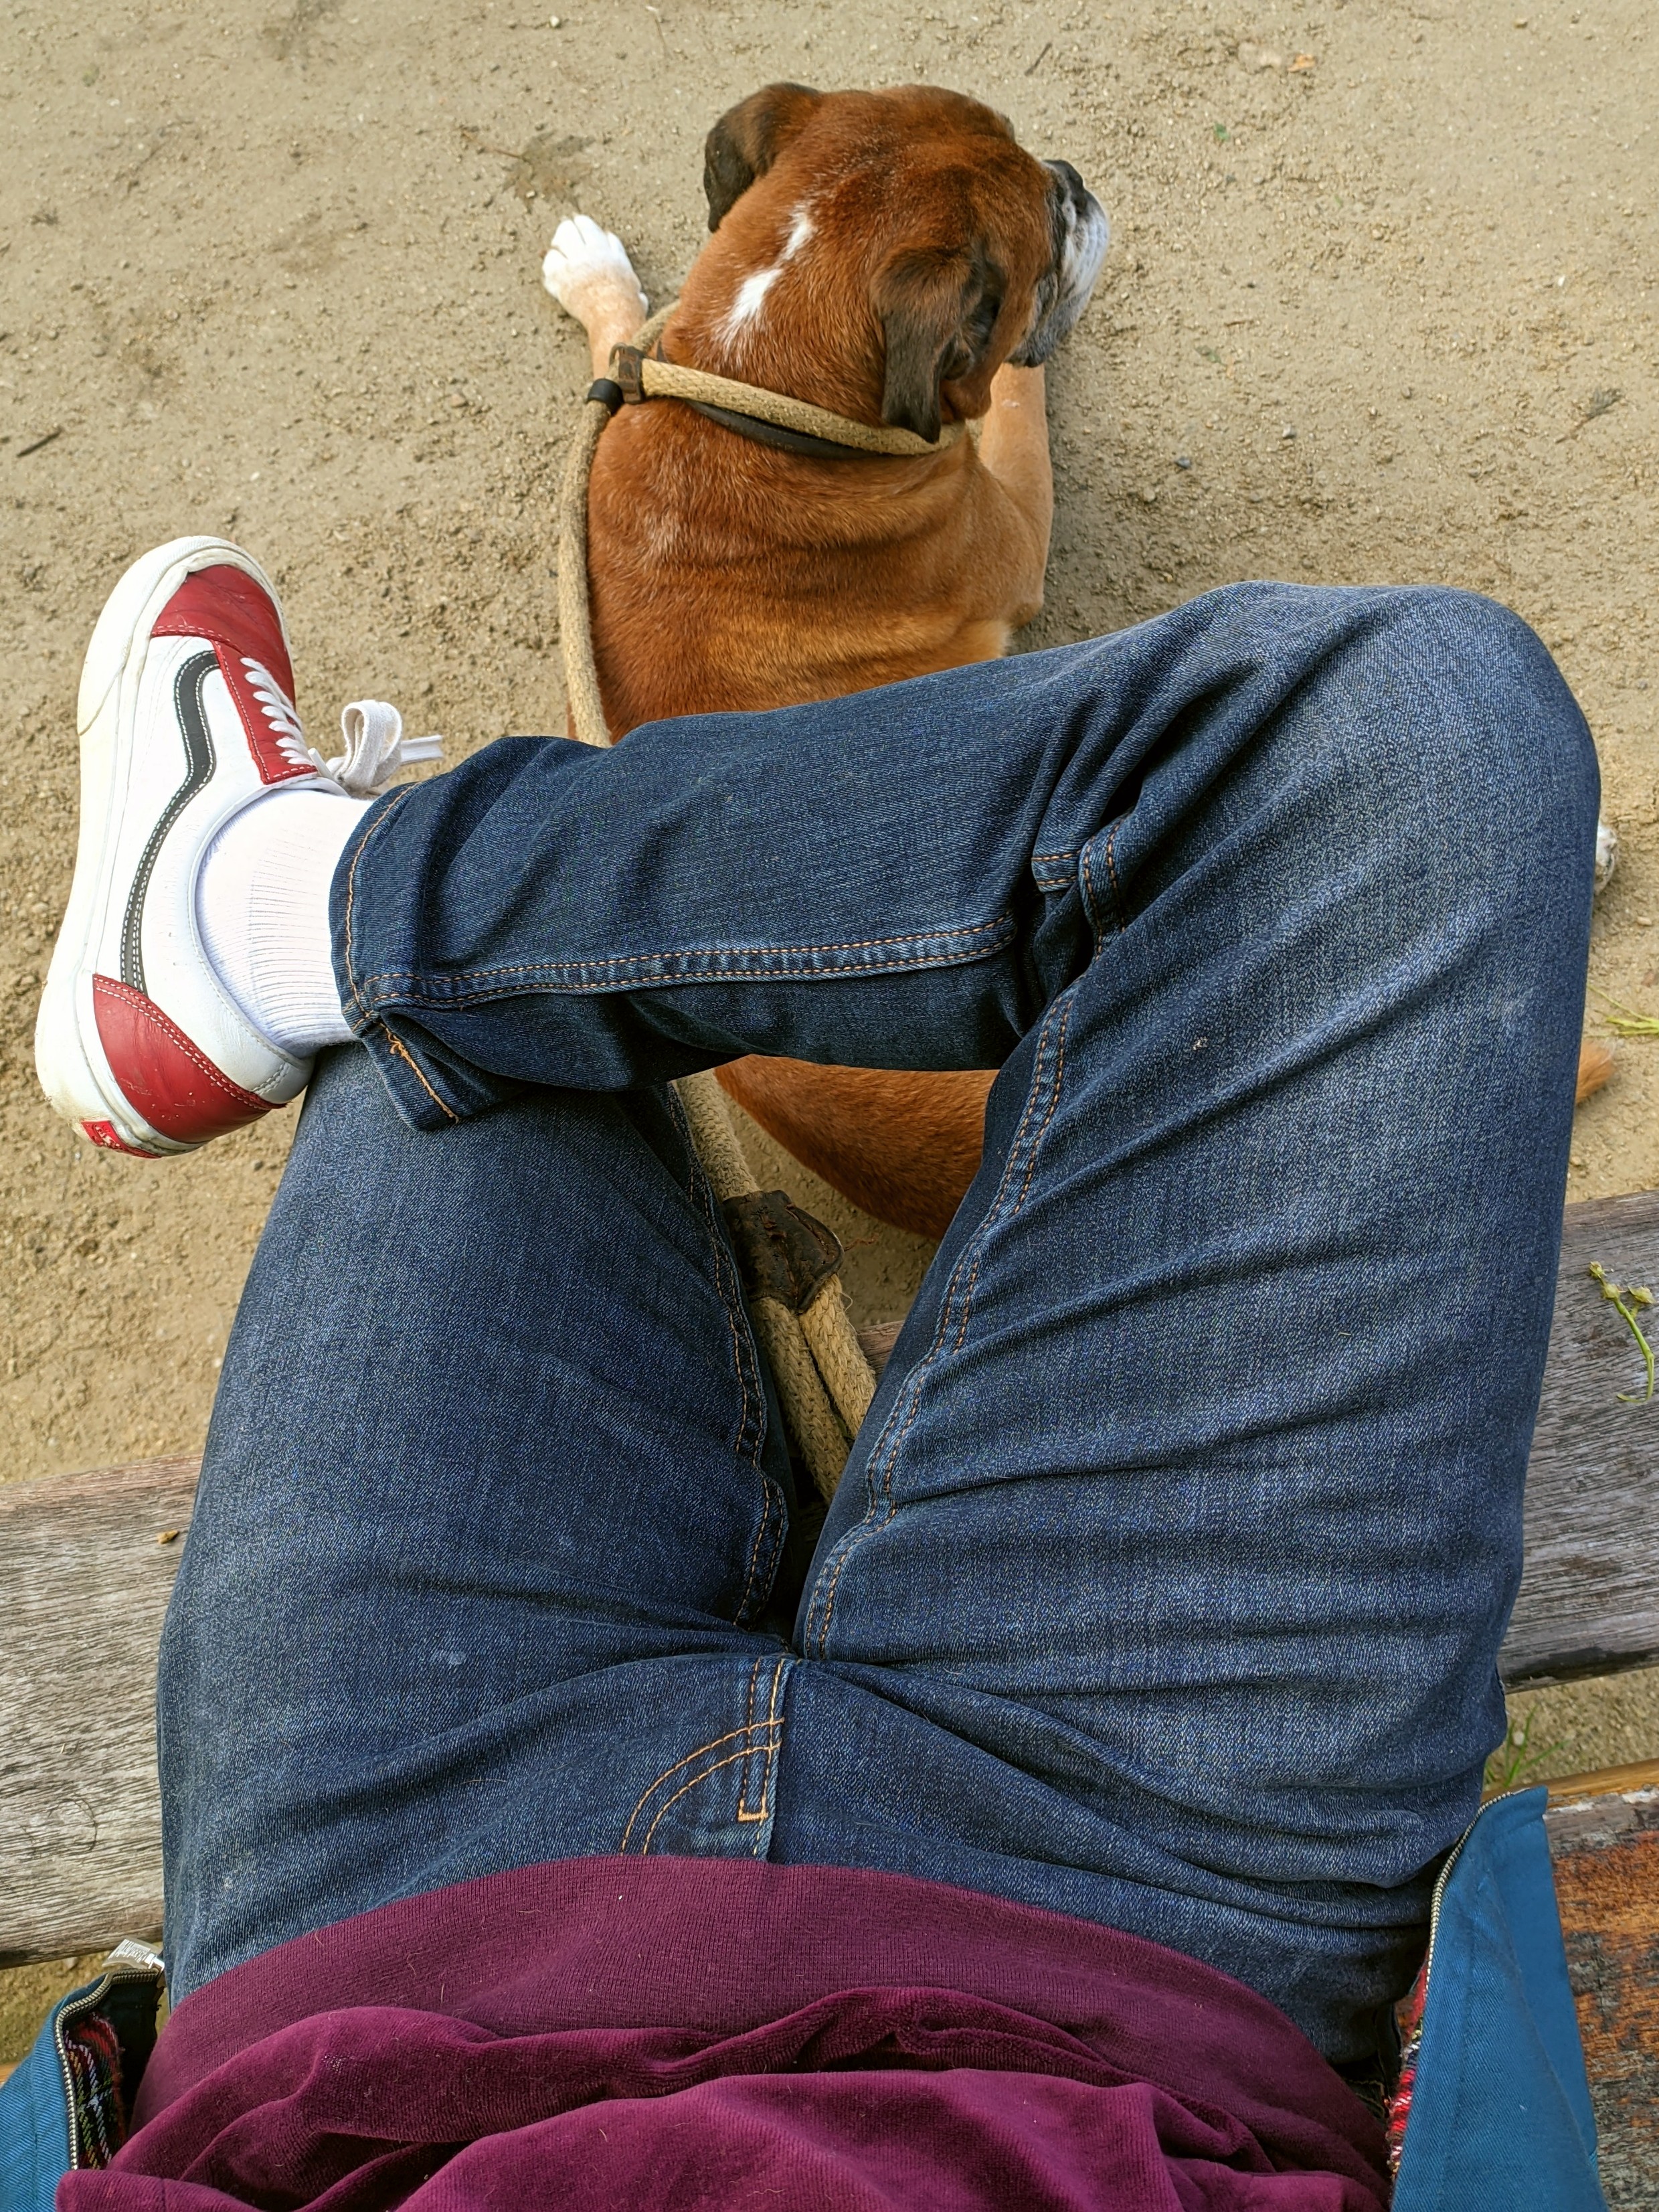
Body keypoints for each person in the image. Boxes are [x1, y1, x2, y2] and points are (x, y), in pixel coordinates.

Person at [3, 539, 1609, 2209]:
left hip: (370, 1985)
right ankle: (304, 906)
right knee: (1407, 732)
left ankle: (296, 907)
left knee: (441, 1045)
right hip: (1143, 1962)